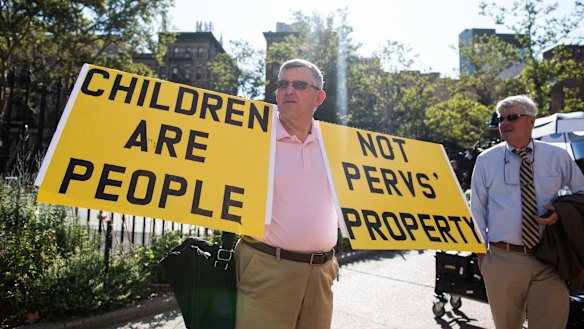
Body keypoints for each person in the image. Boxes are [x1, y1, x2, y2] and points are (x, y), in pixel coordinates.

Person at [234, 59, 339, 329]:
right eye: (283, 84)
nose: (288, 90)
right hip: (268, 270)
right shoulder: (251, 138)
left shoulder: (337, 147)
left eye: (299, 84)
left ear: (319, 97)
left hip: (322, 275)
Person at [470, 95, 584, 329]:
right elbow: (477, 211)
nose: (504, 123)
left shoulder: (557, 157)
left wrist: (561, 212)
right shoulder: (485, 160)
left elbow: (582, 194)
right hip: (503, 260)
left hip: (550, 258)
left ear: (531, 120)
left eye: (512, 117)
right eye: (500, 119)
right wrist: (484, 259)